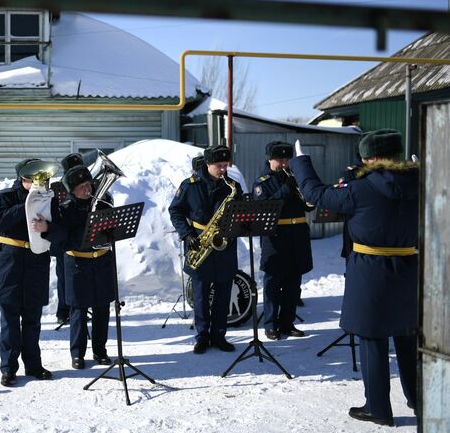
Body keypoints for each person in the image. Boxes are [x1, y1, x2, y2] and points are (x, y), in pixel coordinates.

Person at [289, 129, 417, 427]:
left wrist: (302, 161)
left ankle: (378, 408)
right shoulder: (419, 181)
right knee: (407, 337)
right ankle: (418, 398)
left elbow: (315, 194)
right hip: (409, 266)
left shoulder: (360, 189)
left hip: (371, 269)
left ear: (369, 158)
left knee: (372, 338)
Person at [0, 158, 58, 387]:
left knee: (33, 319)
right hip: (10, 263)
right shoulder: (4, 196)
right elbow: (0, 223)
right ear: (22, 179)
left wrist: (48, 227)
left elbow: (58, 227)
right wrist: (28, 204)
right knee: (10, 319)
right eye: (33, 179)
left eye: (42, 179)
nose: (39, 183)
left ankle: (34, 365)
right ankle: (8, 368)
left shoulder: (48, 198)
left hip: (36, 261)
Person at [169, 144, 243, 354]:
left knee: (223, 294)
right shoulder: (190, 185)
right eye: (218, 166)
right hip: (199, 243)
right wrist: (187, 234)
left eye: (225, 165)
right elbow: (175, 211)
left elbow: (241, 213)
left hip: (224, 246)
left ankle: (219, 335)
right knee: (200, 295)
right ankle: (202, 336)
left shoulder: (233, 186)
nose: (223, 170)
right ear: (208, 164)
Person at [42, 165, 115, 369]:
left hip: (101, 260)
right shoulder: (65, 210)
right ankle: (77, 354)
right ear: (72, 190)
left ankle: (100, 351)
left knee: (102, 308)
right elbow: (60, 241)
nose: (87, 189)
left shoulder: (102, 203)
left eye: (88, 184)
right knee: (78, 310)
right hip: (77, 262)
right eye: (81, 186)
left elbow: (113, 231)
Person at [253, 141, 313, 341]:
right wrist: (287, 189)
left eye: (287, 160)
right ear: (270, 159)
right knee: (272, 283)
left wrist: (306, 191)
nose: (285, 164)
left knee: (293, 283)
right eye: (280, 160)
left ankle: (287, 323)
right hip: (275, 238)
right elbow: (265, 209)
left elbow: (308, 206)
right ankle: (270, 324)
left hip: (297, 236)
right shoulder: (262, 182)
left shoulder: (294, 178)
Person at [49, 152, 84, 324]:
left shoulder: (87, 184)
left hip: (81, 238)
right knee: (64, 277)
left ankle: (80, 307)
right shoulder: (57, 187)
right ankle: (63, 311)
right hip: (63, 240)